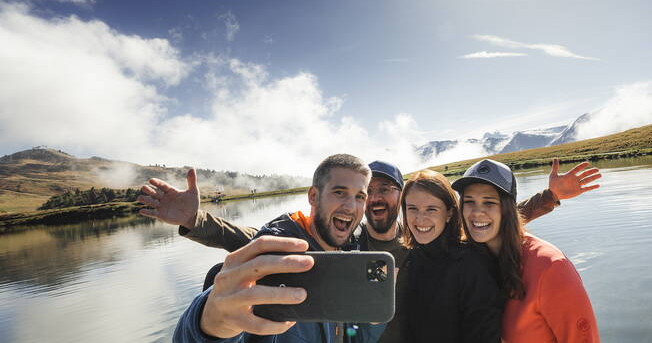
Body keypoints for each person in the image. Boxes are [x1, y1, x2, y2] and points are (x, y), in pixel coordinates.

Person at [139, 158, 601, 342]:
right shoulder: (353, 246)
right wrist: (197, 223)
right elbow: (258, 246)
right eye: (364, 192)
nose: (370, 200)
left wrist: (549, 199)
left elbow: (489, 221)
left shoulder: (440, 245)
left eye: (378, 192)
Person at [171, 153, 372, 343]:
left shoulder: (345, 255)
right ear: (313, 196)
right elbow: (205, 326)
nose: (351, 206)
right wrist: (209, 325)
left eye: (360, 197)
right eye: (339, 192)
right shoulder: (271, 256)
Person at [452, 159, 601, 343]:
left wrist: (551, 195)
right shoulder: (469, 256)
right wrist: (550, 195)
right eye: (469, 201)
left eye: (489, 202)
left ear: (506, 209)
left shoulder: (551, 267)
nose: (477, 212)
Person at [394, 169, 503, 343]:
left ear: (449, 213)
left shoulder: (472, 264)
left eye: (431, 209)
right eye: (412, 208)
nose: (420, 219)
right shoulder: (412, 257)